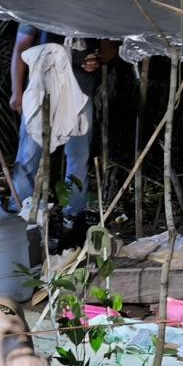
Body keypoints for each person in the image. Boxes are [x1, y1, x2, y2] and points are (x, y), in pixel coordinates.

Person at [8, 24, 118, 227]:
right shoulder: (38, 4)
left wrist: (98, 60)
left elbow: (109, 49)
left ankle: (73, 216)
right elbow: (21, 45)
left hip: (80, 95)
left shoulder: (91, 9)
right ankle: (21, 212)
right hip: (42, 91)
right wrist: (17, 91)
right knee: (29, 154)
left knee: (78, 155)